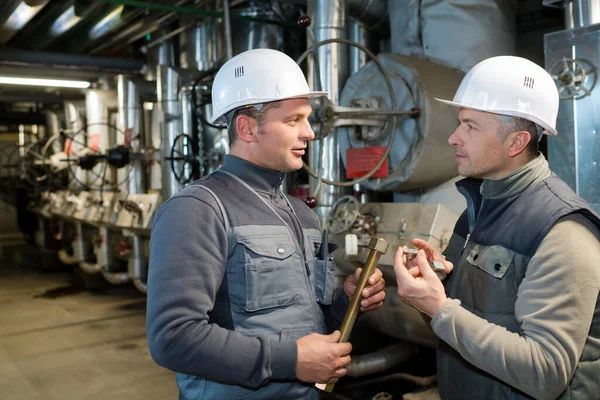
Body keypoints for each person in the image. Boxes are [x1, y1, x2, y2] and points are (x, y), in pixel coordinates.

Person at [146, 48, 386, 399]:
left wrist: (346, 302)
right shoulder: (198, 210)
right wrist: (291, 360)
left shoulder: (302, 214)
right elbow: (173, 337)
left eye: (307, 119)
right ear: (247, 128)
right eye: (293, 120)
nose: (310, 133)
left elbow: (309, 321)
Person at [393, 55, 600, 400]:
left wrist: (441, 310)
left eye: (471, 126)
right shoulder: (478, 208)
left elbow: (546, 372)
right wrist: (438, 286)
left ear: (516, 142)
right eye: (460, 123)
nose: (454, 138)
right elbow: (474, 323)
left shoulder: (563, 231)